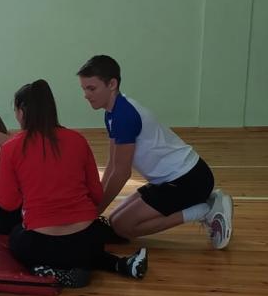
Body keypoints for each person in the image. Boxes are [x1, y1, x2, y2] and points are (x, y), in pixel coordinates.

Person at [0, 79, 148, 288]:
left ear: (22, 111)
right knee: (87, 247)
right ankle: (119, 265)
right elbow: (96, 194)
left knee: (16, 238)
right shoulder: (77, 139)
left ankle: (49, 272)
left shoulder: (10, 148)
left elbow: (7, 202)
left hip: (41, 243)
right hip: (87, 239)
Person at [77, 54, 232, 249]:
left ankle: (204, 210)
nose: (86, 95)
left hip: (189, 180)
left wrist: (95, 211)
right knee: (115, 220)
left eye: (91, 88)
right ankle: (201, 204)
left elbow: (122, 173)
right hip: (170, 180)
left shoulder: (124, 116)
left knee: (123, 226)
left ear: (112, 84)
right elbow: (113, 165)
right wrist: (96, 205)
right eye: (84, 89)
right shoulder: (113, 113)